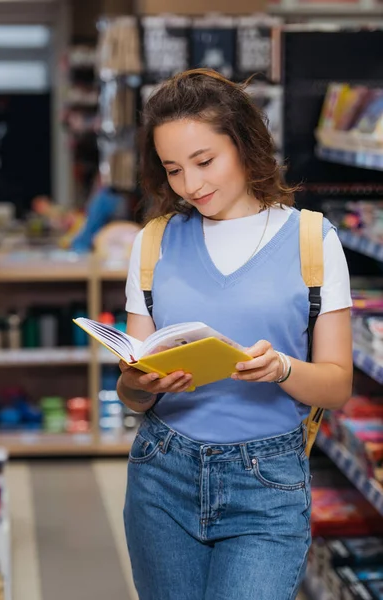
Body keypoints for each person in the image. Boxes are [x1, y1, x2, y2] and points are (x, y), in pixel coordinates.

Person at [117, 69, 353, 600]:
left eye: (205, 162)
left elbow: (337, 386)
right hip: (162, 472)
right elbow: (130, 394)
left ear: (246, 145)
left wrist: (283, 369)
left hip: (266, 485)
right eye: (173, 170)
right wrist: (143, 383)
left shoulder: (313, 240)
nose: (190, 185)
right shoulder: (153, 243)